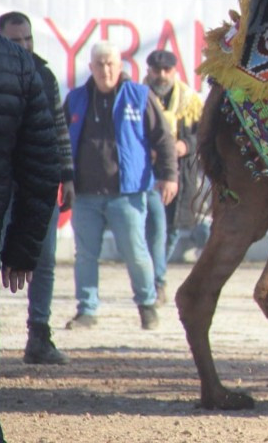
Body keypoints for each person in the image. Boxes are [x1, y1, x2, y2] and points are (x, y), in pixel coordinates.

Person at [0, 22, 60, 441]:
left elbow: (43, 162)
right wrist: (22, 247)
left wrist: (24, 246)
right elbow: (42, 166)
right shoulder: (17, 65)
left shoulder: (23, 67)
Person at [64, 42, 177, 331]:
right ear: (90, 67)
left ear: (120, 66)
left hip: (128, 193)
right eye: (100, 64)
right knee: (85, 256)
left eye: (111, 63)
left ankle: (147, 305)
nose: (106, 70)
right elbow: (60, 143)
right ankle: (87, 310)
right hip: (85, 194)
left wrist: (169, 176)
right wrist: (64, 179)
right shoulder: (75, 99)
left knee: (136, 253)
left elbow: (163, 138)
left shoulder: (139, 95)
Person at [143, 50, 202, 304]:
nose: (162, 75)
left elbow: (203, 134)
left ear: (175, 71)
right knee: (155, 230)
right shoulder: (137, 97)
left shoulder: (190, 101)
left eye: (167, 70)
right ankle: (156, 281)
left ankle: (155, 276)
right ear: (149, 72)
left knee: (172, 230)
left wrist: (185, 145)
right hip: (147, 173)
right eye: (157, 71)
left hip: (180, 174)